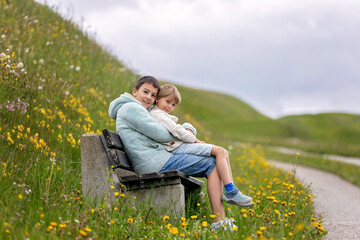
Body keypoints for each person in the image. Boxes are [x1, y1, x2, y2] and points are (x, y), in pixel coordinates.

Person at [108, 76, 250, 230]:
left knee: (213, 162)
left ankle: (220, 219)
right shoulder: (131, 109)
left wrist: (188, 129)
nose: (149, 97)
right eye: (145, 92)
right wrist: (187, 132)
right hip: (154, 162)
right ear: (135, 92)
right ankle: (219, 220)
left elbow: (167, 126)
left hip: (159, 158)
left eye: (153, 94)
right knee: (212, 163)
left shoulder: (140, 109)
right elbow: (161, 133)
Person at [149, 84, 252, 207]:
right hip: (176, 148)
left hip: (179, 146)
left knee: (222, 153)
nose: (170, 106)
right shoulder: (157, 114)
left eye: (173, 105)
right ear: (157, 99)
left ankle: (231, 189)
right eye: (167, 101)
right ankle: (230, 190)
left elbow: (176, 129)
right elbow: (176, 130)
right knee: (220, 152)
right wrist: (196, 140)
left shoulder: (163, 115)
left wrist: (188, 130)